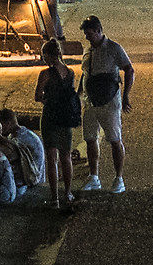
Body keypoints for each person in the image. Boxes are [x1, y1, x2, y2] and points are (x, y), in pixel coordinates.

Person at [77, 15, 135, 191]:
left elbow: (129, 69)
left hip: (109, 100)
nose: (87, 38)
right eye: (86, 35)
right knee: (90, 138)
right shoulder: (88, 50)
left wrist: (126, 96)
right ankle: (94, 176)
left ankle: (119, 179)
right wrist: (79, 93)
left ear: (99, 31)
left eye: (90, 34)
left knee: (114, 139)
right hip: (90, 100)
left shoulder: (113, 48)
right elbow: (85, 73)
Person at [34, 42, 81, 212]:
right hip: (66, 118)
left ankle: (54, 197)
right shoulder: (70, 72)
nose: (43, 59)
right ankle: (68, 193)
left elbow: (37, 96)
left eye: (44, 55)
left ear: (48, 55)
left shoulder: (45, 74)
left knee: (51, 158)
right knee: (66, 157)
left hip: (50, 118)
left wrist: (47, 100)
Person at [0, 107, 45, 201]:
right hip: (34, 177)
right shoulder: (21, 134)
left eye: (1, 125)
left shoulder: (23, 138)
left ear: (8, 123)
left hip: (31, 181)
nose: (0, 130)